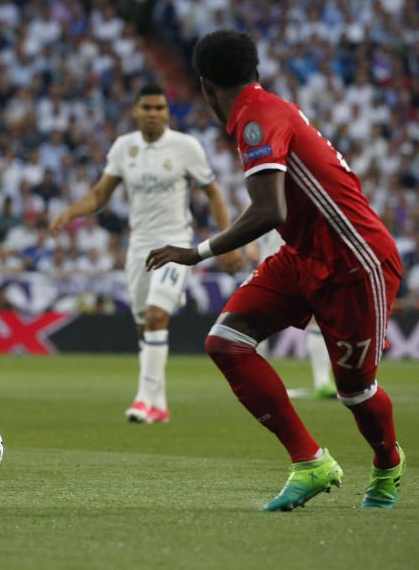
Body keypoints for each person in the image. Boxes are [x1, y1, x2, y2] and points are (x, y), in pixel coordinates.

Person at [147, 29, 404, 510]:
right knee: (226, 342)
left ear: (204, 86)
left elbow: (270, 211)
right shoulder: (262, 111)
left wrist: (197, 251)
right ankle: (310, 462)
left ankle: (388, 464)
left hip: (354, 261)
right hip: (303, 255)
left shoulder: (256, 121)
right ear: (254, 70)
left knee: (355, 393)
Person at [50, 84, 242, 424]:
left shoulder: (186, 147)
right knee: (145, 326)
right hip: (138, 246)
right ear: (135, 111)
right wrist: (70, 212)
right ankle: (160, 403)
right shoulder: (125, 148)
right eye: (147, 108)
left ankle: (143, 400)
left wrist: (226, 241)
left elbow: (213, 194)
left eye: (159, 108)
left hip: (176, 244)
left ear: (167, 112)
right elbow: (99, 194)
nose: (153, 113)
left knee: (156, 315)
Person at [253, 229, 336, 400]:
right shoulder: (280, 205)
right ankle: (258, 383)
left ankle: (322, 382)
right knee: (260, 321)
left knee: (316, 317)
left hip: (298, 266)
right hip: (275, 267)